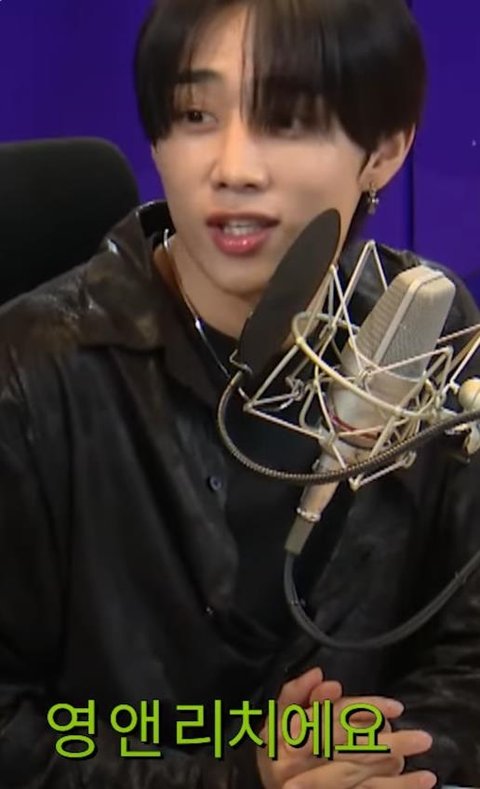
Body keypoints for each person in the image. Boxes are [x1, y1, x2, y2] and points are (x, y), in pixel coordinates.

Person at [0, 0, 479, 787]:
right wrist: (240, 774)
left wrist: (374, 763)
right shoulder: (31, 371)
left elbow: (467, 656)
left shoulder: (424, 324)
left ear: (386, 149)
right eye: (195, 114)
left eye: (286, 119)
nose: (232, 168)